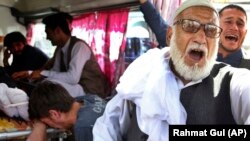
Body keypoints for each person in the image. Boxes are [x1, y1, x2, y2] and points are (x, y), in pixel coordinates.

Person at [93, 0, 250, 140]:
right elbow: (107, 127)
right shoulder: (143, 74)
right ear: (170, 36)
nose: (201, 39)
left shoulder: (234, 81)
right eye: (189, 26)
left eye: (210, 31)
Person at [139, 0, 249, 69]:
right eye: (228, 21)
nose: (234, 28)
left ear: (246, 32)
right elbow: (161, 29)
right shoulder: (195, 52)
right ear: (216, 27)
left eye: (240, 24)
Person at [22, 13, 108, 98]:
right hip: (78, 87)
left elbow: (73, 78)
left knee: (48, 85)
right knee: (46, 83)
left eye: (48, 33)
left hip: (89, 90)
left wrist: (42, 74)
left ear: (57, 31)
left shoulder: (79, 46)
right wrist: (38, 76)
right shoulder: (60, 48)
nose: (47, 37)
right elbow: (55, 72)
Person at [27, 80, 106, 141]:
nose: (49, 126)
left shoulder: (83, 128)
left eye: (46, 123)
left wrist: (39, 127)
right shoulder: (88, 99)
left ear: (54, 114)